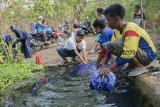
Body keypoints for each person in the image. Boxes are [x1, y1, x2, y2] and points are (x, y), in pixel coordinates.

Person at [100, 4, 156, 74]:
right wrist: (104, 64)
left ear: (116, 19)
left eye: (109, 21)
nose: (107, 24)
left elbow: (128, 53)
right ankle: (133, 65)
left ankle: (140, 66)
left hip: (148, 55)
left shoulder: (130, 28)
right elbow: (110, 47)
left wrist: (110, 68)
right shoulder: (116, 31)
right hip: (136, 53)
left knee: (120, 45)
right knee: (109, 45)